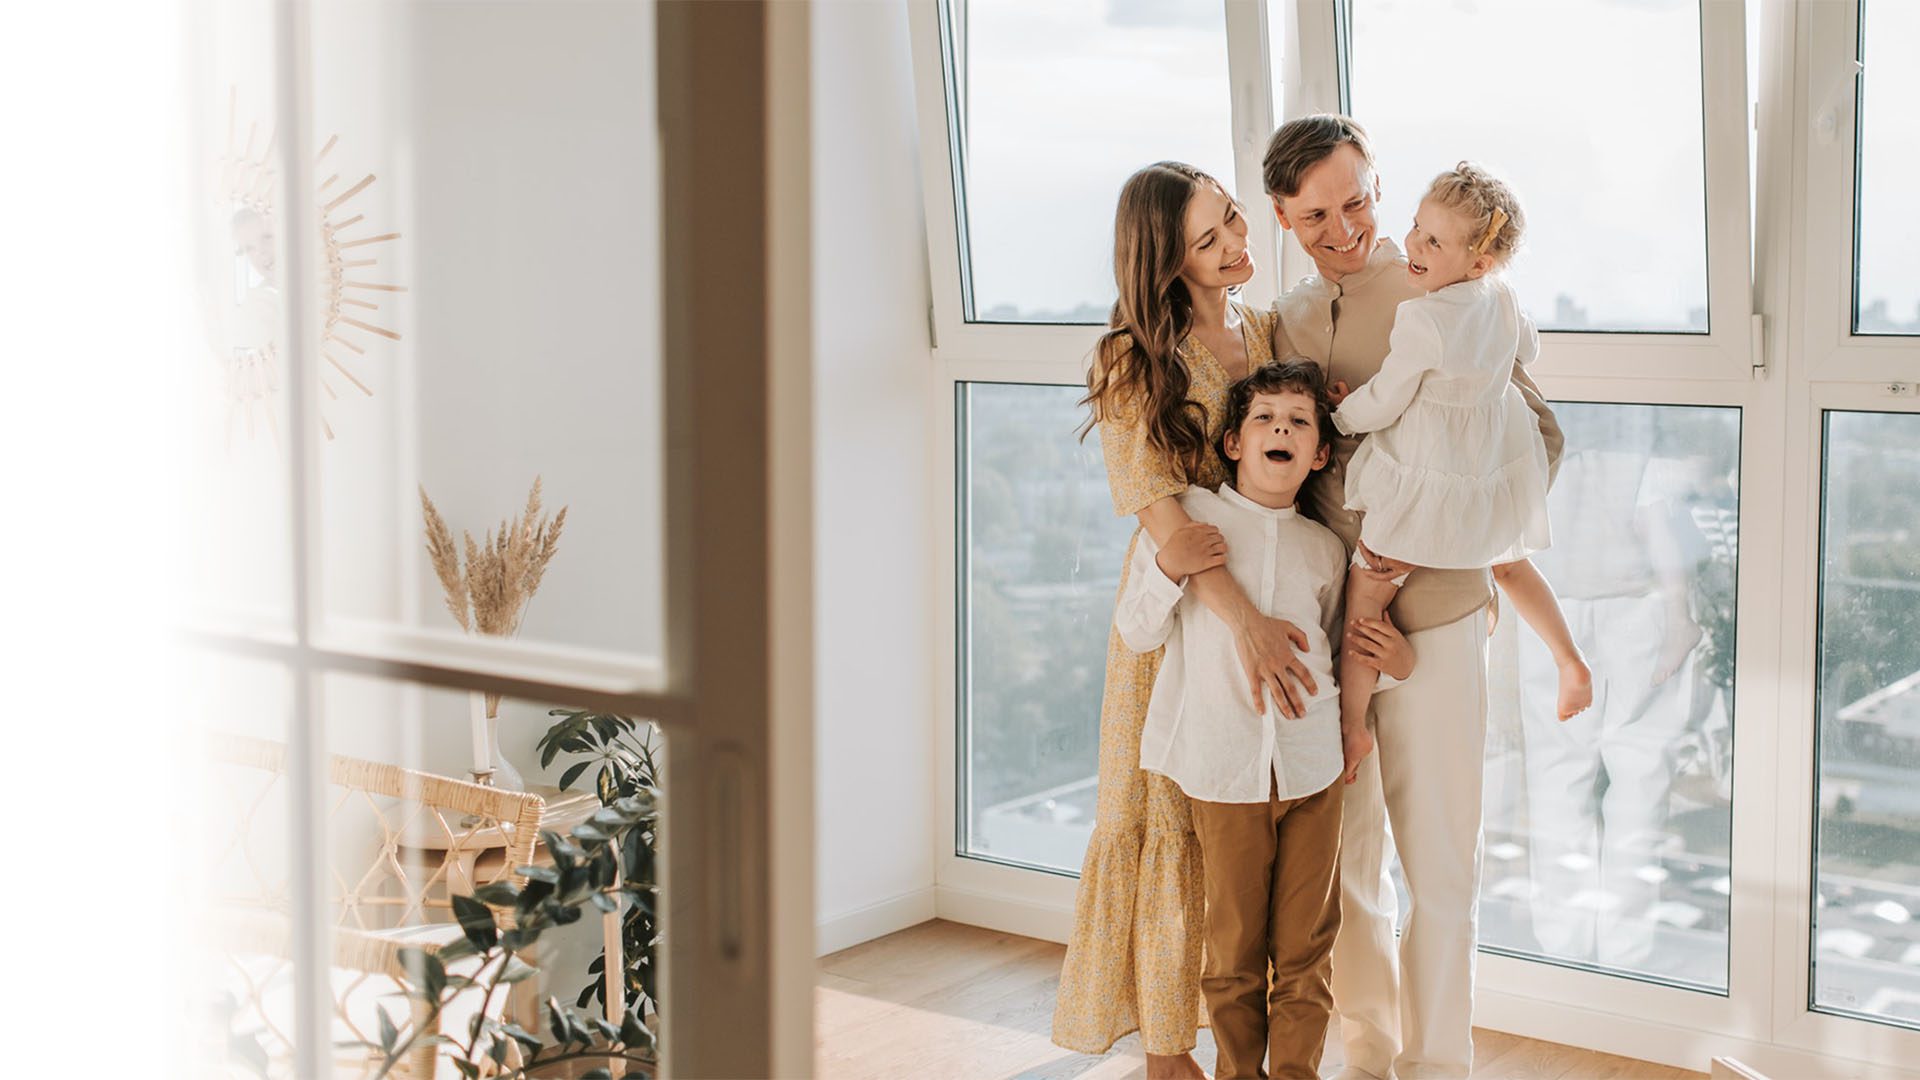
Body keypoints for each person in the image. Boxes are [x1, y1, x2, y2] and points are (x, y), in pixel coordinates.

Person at [1054, 161, 1392, 1080]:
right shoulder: (1134, 355)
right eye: (1210, 241)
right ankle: (1169, 1051)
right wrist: (1241, 619)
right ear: (1166, 259)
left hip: (1271, 583)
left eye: (1235, 223)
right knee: (1166, 814)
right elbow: (1161, 511)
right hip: (1190, 600)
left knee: (1245, 860)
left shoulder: (1259, 323)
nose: (1239, 246)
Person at [1261, 114, 1565, 1079]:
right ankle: (1370, 1056)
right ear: (1284, 217)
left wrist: (1427, 575)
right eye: (1316, 213)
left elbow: (1536, 440)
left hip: (1435, 625)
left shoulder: (1454, 292)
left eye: (1355, 199)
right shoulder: (1289, 318)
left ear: (1379, 189)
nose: (1342, 225)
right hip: (1329, 636)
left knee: (1441, 867)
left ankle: (1441, 1066)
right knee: (1346, 872)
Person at [1112, 359, 1412, 1080]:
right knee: (1235, 953)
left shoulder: (1325, 549)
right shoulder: (1194, 522)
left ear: (1317, 455)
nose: (1282, 427)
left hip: (1314, 772)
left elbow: (1344, 652)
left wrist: (1391, 673)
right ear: (1234, 445)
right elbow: (1137, 632)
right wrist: (1168, 567)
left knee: (1307, 954)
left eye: (1299, 422)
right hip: (1222, 772)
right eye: (1264, 418)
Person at [1328, 162, 1593, 788]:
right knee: (1508, 561)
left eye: (1434, 242)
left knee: (1369, 584)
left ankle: (1351, 721)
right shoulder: (1502, 297)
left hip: (1426, 477)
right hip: (1488, 468)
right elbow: (1529, 348)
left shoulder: (1420, 320)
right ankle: (1569, 658)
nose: (1414, 247)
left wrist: (1339, 415)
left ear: (1477, 262)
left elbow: (1387, 400)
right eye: (1417, 230)